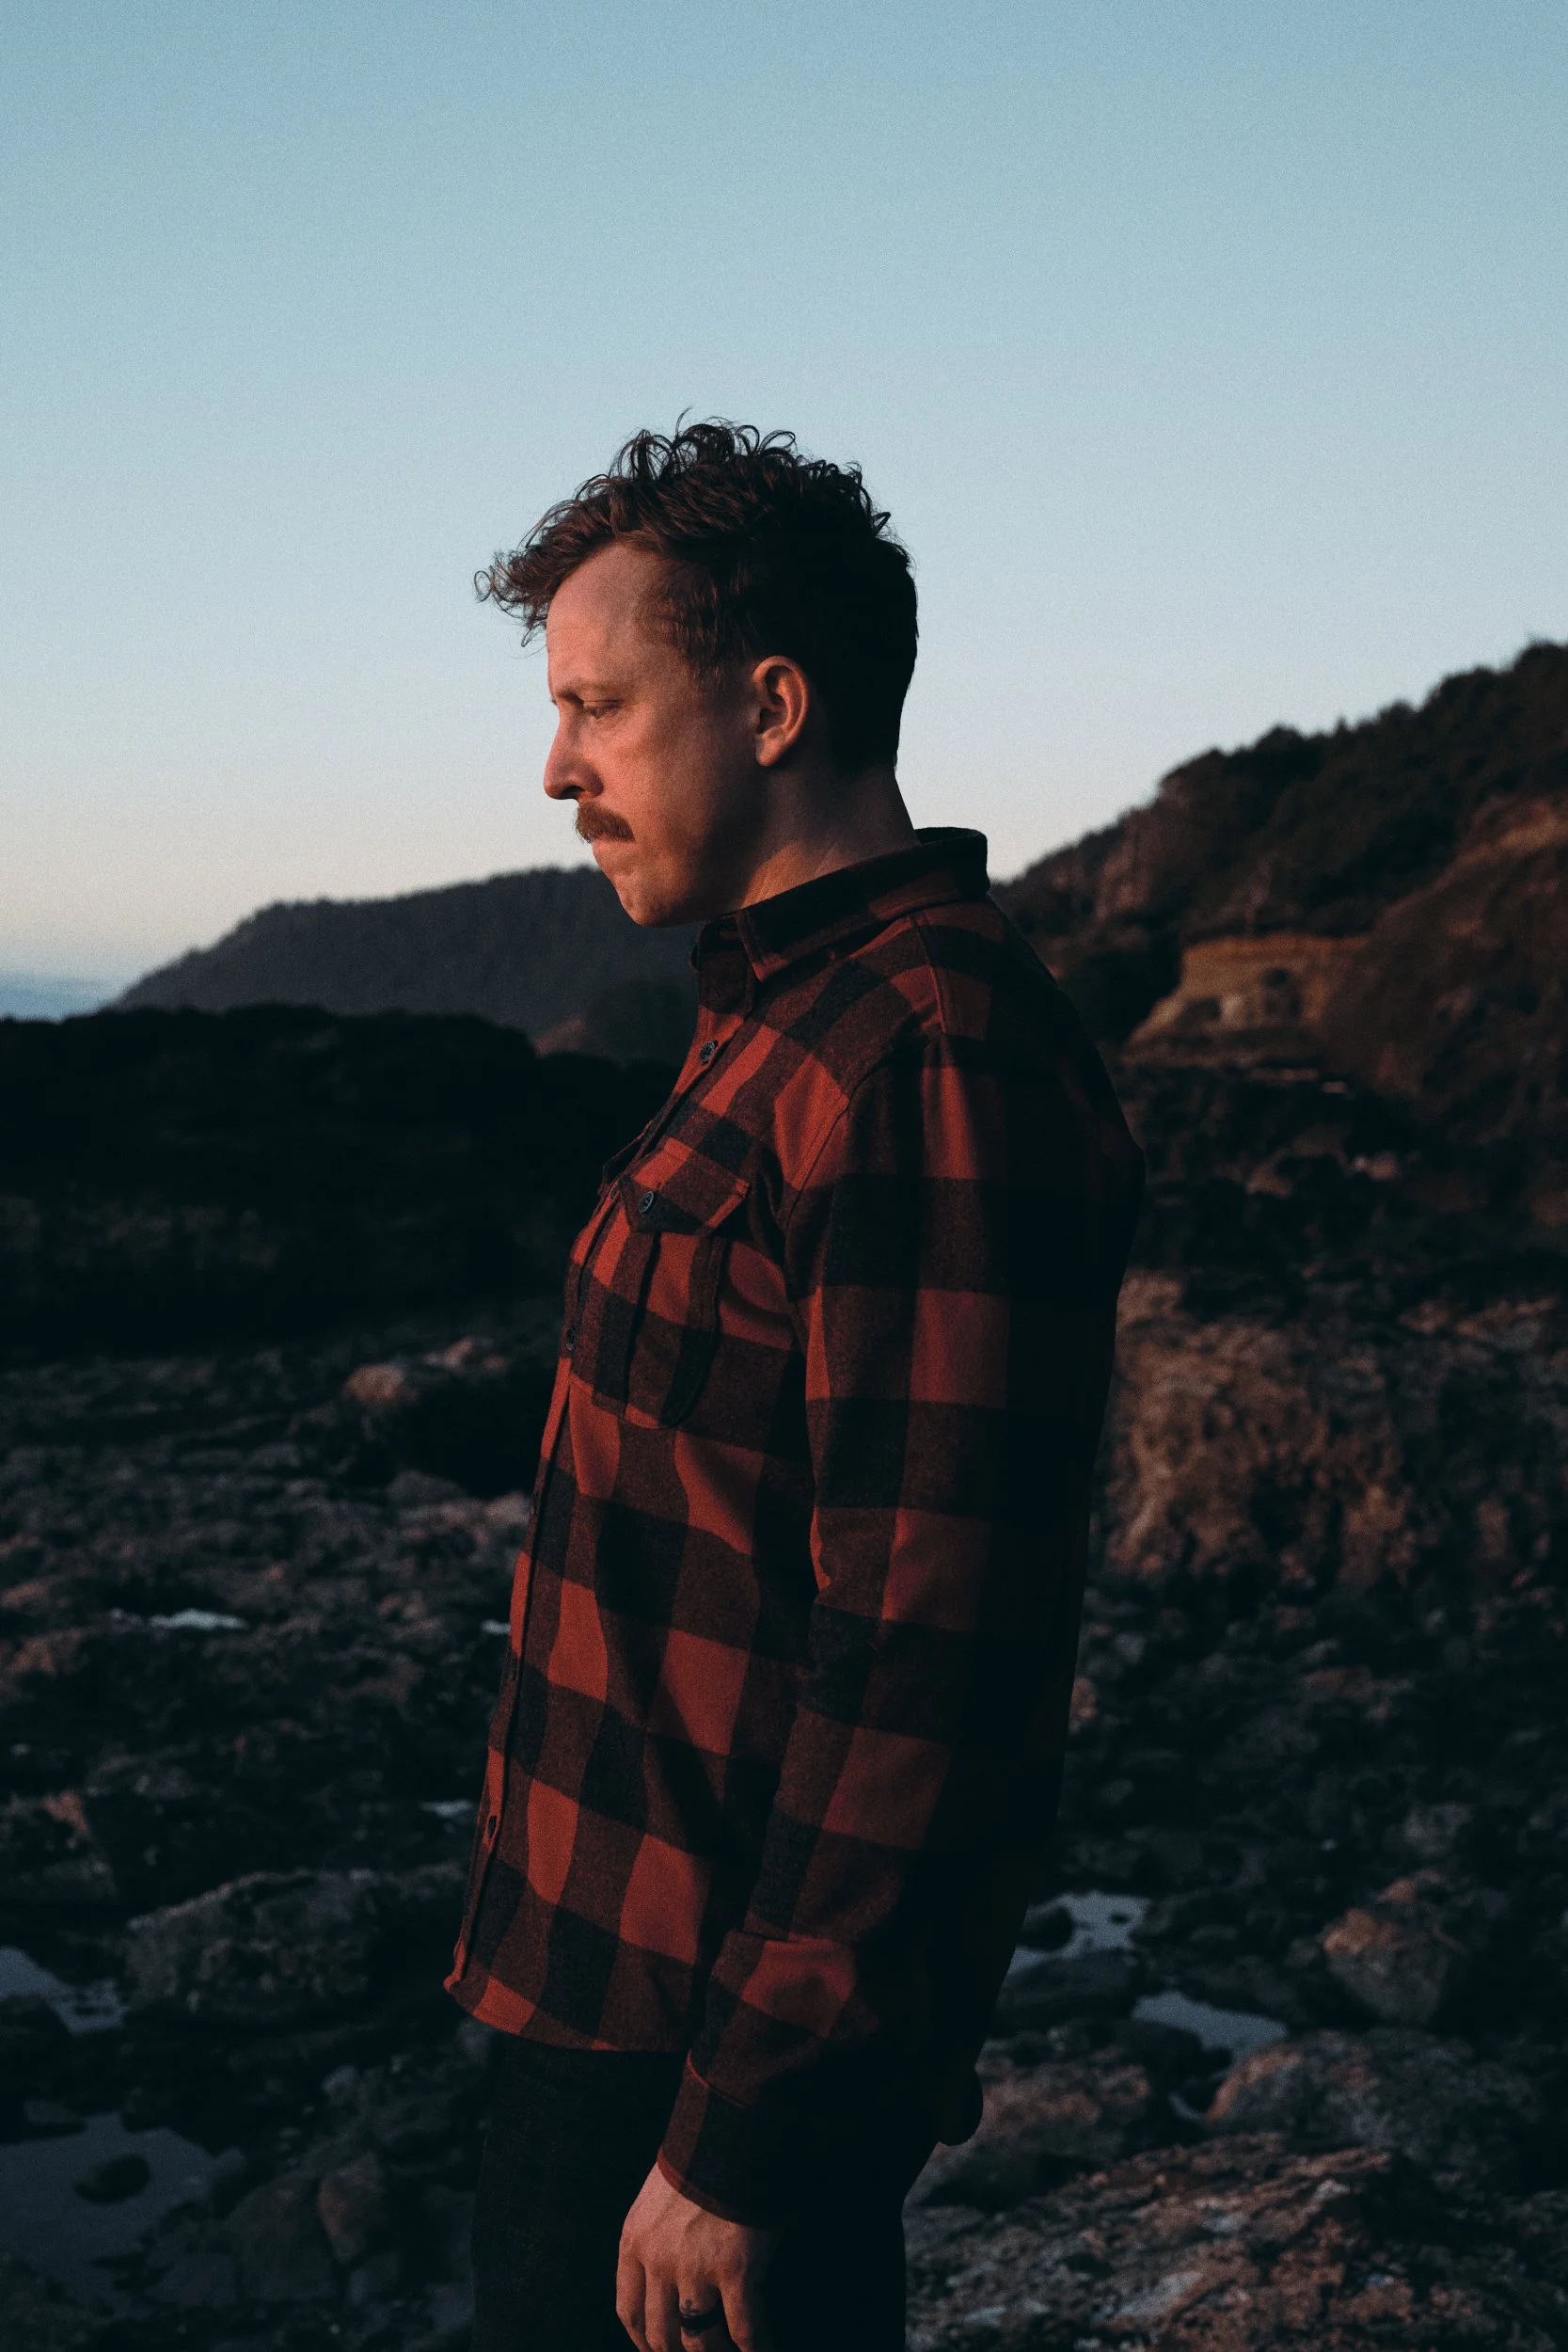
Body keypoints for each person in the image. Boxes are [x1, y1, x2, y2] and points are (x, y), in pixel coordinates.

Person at [448, 422, 1144, 2352]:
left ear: (769, 701)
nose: (556, 764)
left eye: (599, 703)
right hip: (603, 2001)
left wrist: (749, 2132)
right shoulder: (773, 1019)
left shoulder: (924, 1051)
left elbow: (927, 1649)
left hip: (697, 2066)